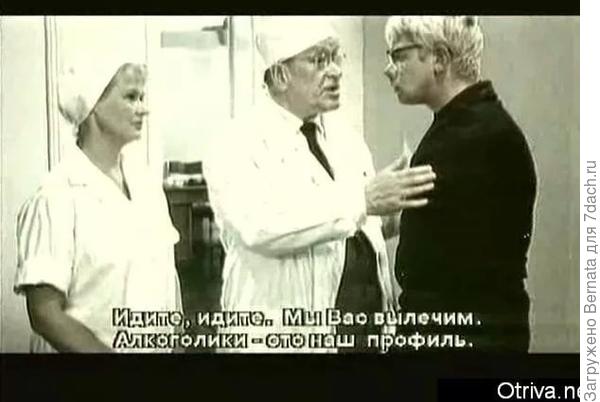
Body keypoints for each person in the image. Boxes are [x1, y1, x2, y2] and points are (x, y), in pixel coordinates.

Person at [204, 16, 436, 353]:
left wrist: (396, 210)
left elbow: (351, 227)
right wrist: (364, 200)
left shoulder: (346, 139)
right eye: (319, 60)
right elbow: (261, 227)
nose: (336, 71)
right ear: (280, 75)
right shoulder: (236, 143)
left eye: (336, 57)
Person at [383, 16, 537, 352]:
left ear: (439, 58)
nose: (388, 69)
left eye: (399, 55)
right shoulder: (474, 125)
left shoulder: (469, 136)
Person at [14, 56, 182, 353]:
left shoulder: (146, 186)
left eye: (141, 97)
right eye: (131, 97)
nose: (143, 108)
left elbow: (168, 283)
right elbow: (45, 315)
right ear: (93, 106)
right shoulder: (56, 197)